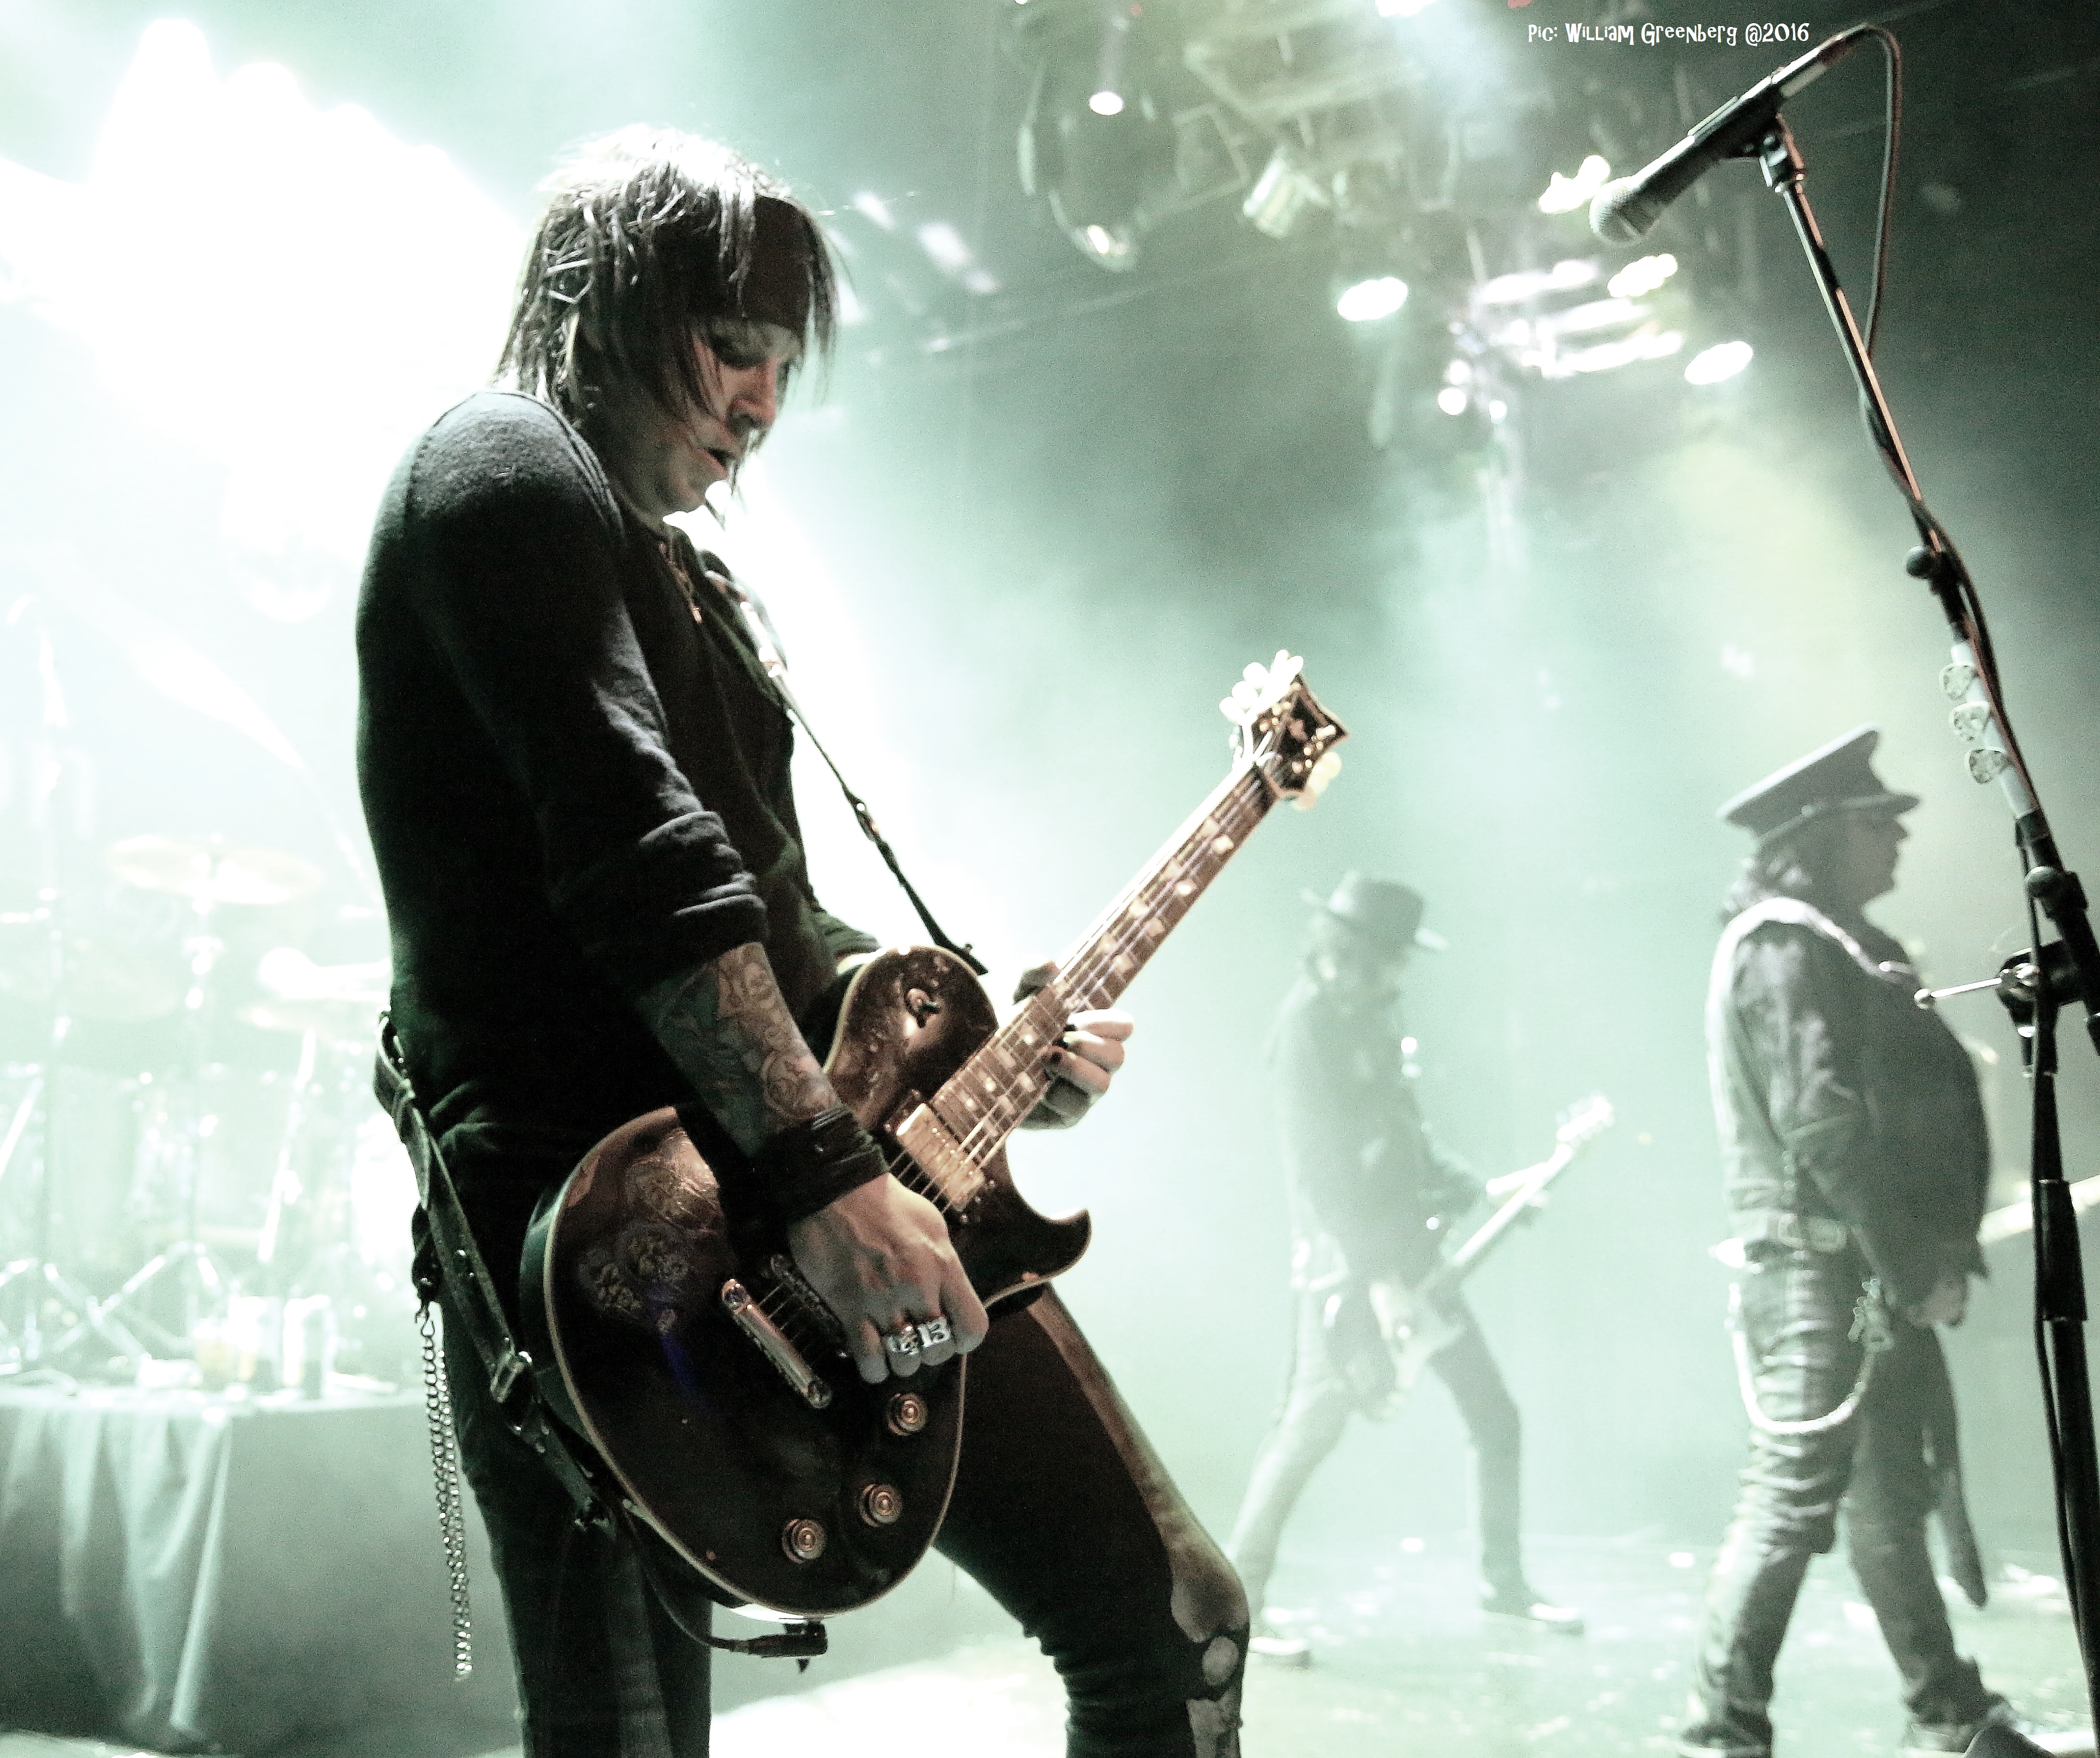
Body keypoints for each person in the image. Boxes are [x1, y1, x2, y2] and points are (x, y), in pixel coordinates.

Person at [356, 128, 1246, 1758]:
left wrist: (970, 1050)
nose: (763, 401)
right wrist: (830, 1174)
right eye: (731, 347)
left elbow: (767, 907)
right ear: (606, 309)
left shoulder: (693, 586)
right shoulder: (497, 469)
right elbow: (636, 850)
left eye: (782, 362)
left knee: (1175, 1621)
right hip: (600, 1255)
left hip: (782, 1182)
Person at [1679, 726, 2072, 1758]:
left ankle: (1946, 1711)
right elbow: (1819, 1124)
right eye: (1874, 824)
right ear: (1816, 836)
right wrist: (1906, 1265)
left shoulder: (1835, 943)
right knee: (1789, 1497)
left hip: (1855, 1267)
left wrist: (1916, 1258)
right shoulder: (1782, 946)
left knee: (1889, 1495)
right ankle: (1720, 1734)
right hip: (1822, 1272)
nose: (1897, 839)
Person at [1225, 873, 1581, 1659]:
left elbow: (1406, 1142)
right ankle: (1235, 1610)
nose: (1396, 976)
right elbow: (1320, 1173)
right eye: (1389, 959)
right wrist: (1377, 1279)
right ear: (1348, 951)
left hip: (1411, 1255)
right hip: (1344, 1268)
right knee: (1308, 1430)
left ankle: (1503, 1584)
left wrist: (1483, 1189)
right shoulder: (1305, 1027)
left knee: (1494, 1414)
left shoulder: (1376, 1017)